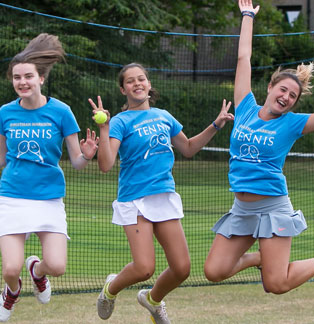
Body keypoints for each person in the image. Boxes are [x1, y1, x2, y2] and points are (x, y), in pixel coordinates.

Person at [201, 0, 314, 294]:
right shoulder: (245, 106)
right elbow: (244, 59)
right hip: (242, 209)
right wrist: (247, 18)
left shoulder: (292, 124)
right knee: (214, 271)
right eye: (283, 90)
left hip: (273, 208)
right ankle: (261, 257)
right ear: (270, 87)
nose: (286, 97)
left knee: (276, 284)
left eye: (292, 96)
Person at [0, 33, 98, 322]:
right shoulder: (6, 113)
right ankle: (12, 292)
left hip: (48, 199)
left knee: (57, 266)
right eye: (16, 77)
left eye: (28, 76)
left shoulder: (61, 112)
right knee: (10, 269)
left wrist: (86, 154)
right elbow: (0, 157)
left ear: (41, 79)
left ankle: (37, 271)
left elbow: (76, 162)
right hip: (12, 198)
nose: (22, 82)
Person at [88, 64, 234, 324]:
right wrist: (104, 127)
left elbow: (188, 148)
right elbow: (105, 165)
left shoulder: (164, 116)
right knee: (144, 268)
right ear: (123, 89)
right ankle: (110, 289)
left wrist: (216, 124)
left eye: (141, 79)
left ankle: (152, 300)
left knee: (182, 269)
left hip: (163, 196)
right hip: (134, 200)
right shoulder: (120, 122)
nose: (137, 84)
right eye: (130, 81)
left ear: (148, 84)